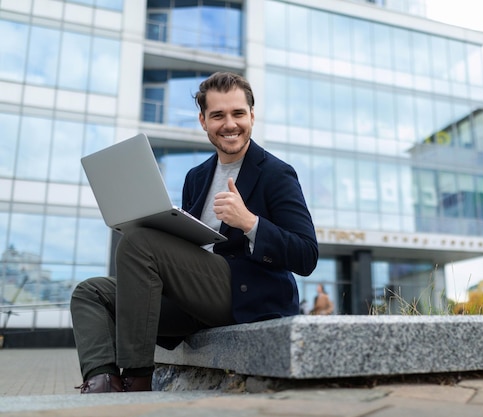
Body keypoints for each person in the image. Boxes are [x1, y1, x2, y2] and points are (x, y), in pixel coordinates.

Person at [70, 72, 319, 393]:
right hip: (194, 299)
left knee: (139, 242)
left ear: (252, 116)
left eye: (238, 113)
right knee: (90, 292)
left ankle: (137, 380)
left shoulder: (276, 173)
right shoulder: (197, 177)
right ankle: (102, 382)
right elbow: (193, 250)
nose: (230, 124)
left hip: (247, 295)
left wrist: (249, 222)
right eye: (218, 115)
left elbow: (307, 255)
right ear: (203, 121)